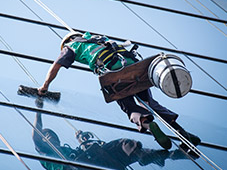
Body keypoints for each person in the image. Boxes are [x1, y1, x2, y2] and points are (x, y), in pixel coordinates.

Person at [38, 31, 201, 150]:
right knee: (150, 102)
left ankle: (148, 124)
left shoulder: (71, 45)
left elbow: (56, 66)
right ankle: (182, 132)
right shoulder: (97, 38)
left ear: (68, 40)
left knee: (129, 107)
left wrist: (45, 86)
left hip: (113, 73)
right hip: (133, 66)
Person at [32, 112, 197, 170]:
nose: (49, 137)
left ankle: (166, 155)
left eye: (51, 135)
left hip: (94, 160)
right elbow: (36, 137)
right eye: (46, 135)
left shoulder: (66, 150)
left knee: (125, 144)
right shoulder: (45, 154)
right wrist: (38, 109)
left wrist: (83, 142)